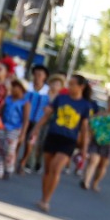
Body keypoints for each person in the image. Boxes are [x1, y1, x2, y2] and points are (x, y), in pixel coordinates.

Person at [31, 73, 95, 211]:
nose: (69, 86)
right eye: (69, 84)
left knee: (56, 168)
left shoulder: (85, 105)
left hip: (69, 140)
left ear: (81, 87)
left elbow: (84, 128)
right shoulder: (61, 98)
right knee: (48, 169)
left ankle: (47, 200)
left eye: (72, 84)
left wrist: (84, 149)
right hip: (53, 135)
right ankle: (43, 197)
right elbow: (47, 115)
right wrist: (36, 129)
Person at [82, 95, 110, 191]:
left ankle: (95, 182)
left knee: (102, 166)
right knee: (93, 160)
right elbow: (91, 124)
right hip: (96, 141)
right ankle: (86, 182)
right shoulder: (100, 114)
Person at [0, 79, 30, 179]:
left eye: (16, 87)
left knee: (9, 149)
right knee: (0, 148)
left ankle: (9, 168)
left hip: (15, 128)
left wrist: (23, 133)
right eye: (13, 87)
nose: (13, 89)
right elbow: (1, 112)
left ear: (22, 90)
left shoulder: (25, 103)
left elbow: (26, 119)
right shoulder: (8, 99)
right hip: (3, 126)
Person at [19, 64, 51, 172]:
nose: (37, 77)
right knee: (19, 140)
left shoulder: (48, 90)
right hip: (23, 118)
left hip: (37, 121)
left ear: (45, 77)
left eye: (40, 74)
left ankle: (26, 161)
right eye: (36, 74)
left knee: (30, 142)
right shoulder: (27, 86)